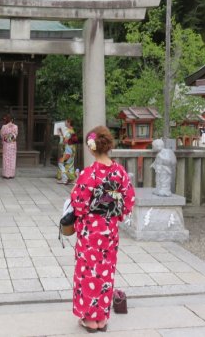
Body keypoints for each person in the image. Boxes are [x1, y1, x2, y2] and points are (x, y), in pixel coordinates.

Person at [70, 125, 135, 333]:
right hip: (109, 230)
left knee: (88, 272)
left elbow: (78, 204)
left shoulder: (89, 174)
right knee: (105, 272)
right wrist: (115, 215)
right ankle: (102, 319)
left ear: (91, 148)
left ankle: (90, 320)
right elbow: (128, 199)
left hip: (90, 231)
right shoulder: (120, 172)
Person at [57, 118, 77, 184]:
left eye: (66, 122)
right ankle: (71, 179)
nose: (65, 123)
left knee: (61, 162)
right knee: (70, 165)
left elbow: (65, 141)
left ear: (69, 123)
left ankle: (64, 178)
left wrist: (61, 135)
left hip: (68, 151)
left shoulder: (69, 131)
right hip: (71, 150)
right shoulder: (72, 131)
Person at [0, 114, 18, 179]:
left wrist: (6, 138)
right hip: (13, 144)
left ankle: (6, 174)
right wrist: (11, 137)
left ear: (6, 119)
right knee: (12, 159)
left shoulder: (4, 126)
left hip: (6, 144)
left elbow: (2, 135)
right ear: (12, 119)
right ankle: (11, 174)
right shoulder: (15, 126)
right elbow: (16, 134)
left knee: (6, 158)